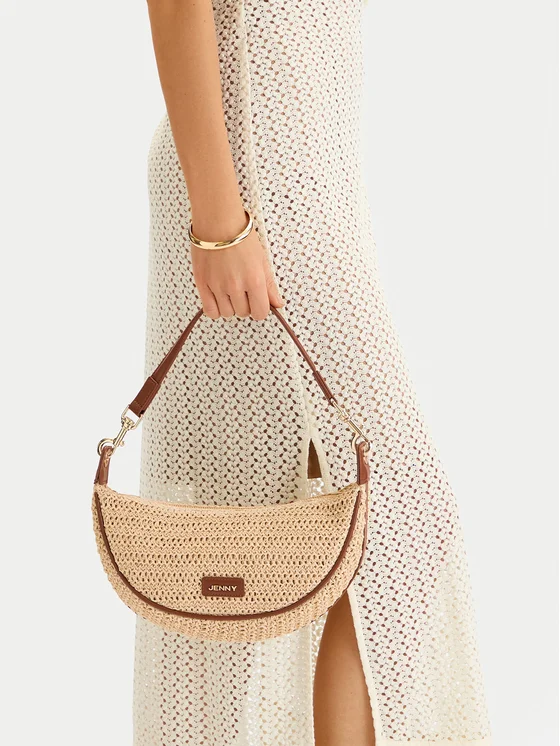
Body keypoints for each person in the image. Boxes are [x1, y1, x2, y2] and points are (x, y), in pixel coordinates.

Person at [133, 1, 493, 745]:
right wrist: (220, 223)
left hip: (315, 192)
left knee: (311, 525)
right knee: (343, 521)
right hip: (251, 198)